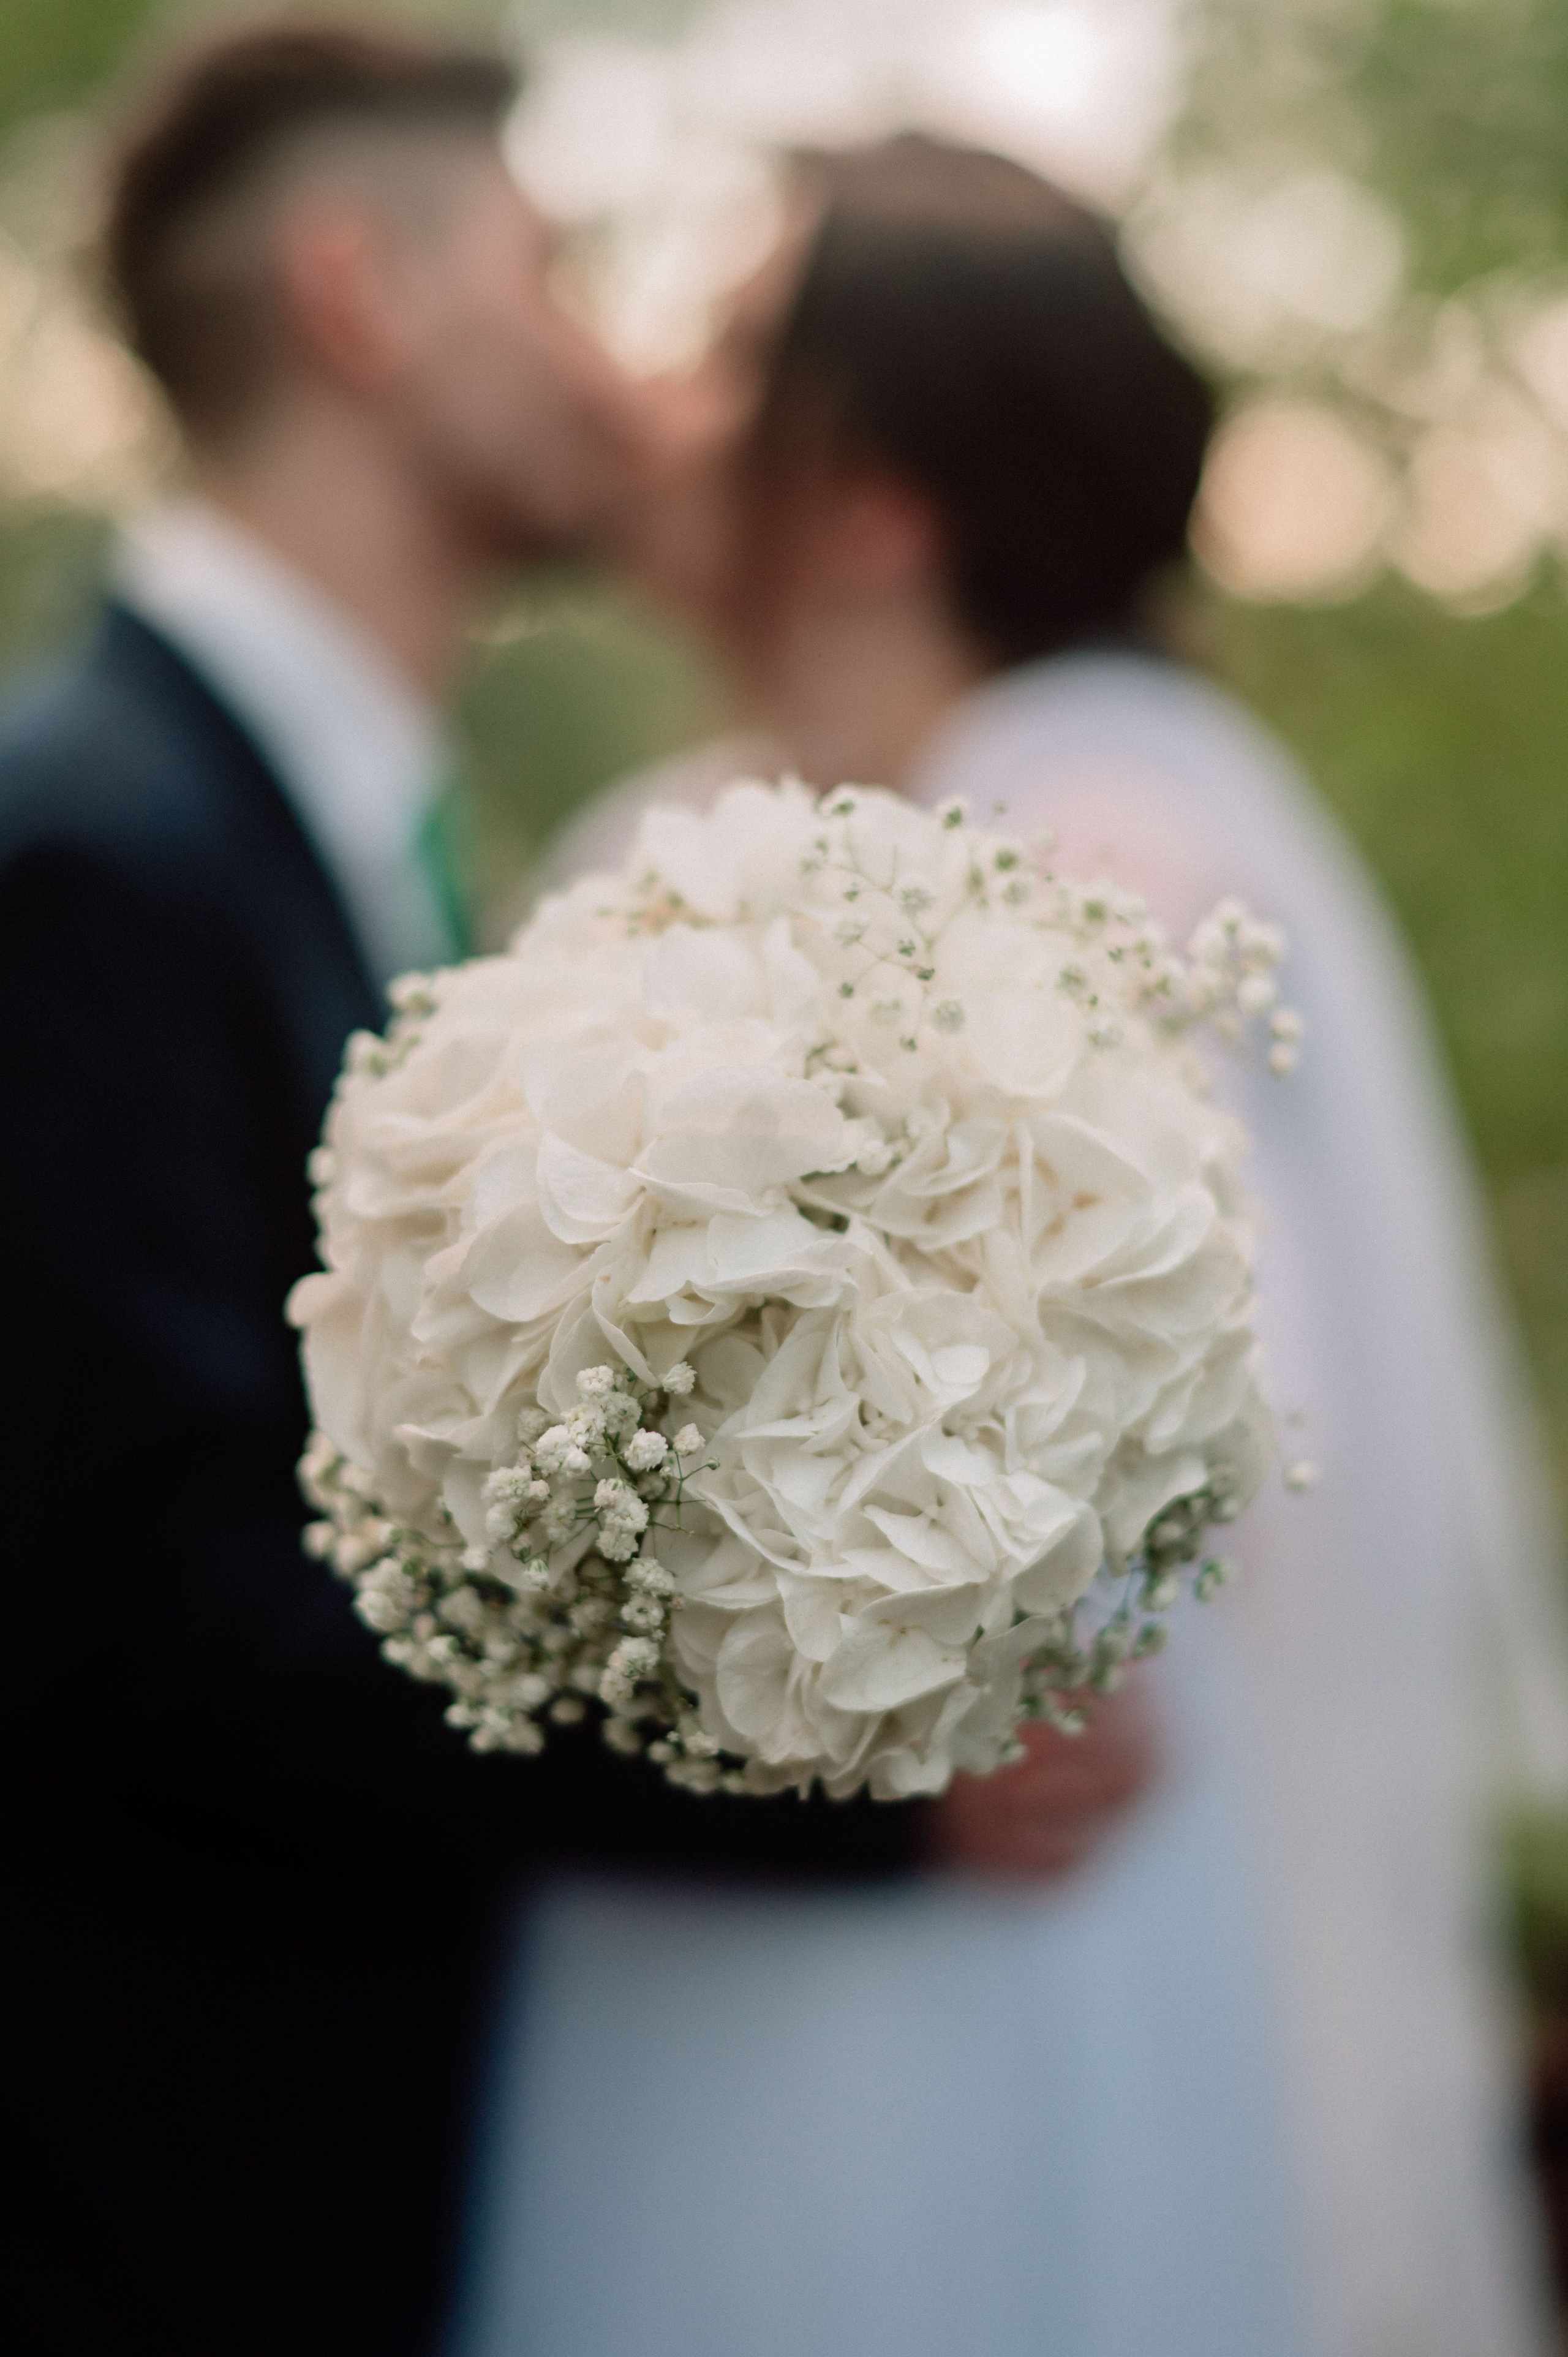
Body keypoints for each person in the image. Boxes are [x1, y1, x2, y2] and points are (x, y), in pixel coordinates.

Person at [0, 48, 1093, 2357]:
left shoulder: (358, 834)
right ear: (358, 299)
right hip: (174, 2206)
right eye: (551, 271)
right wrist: (848, 1765)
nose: (618, 363)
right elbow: (151, 1604)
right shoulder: (88, 851)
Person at [464, 136, 1568, 2357]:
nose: (655, 402)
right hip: (702, 1916)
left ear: (873, 493)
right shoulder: (709, 831)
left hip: (972, 1965)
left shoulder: (1105, 844)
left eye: (724, 351)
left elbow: (1185, 1486)